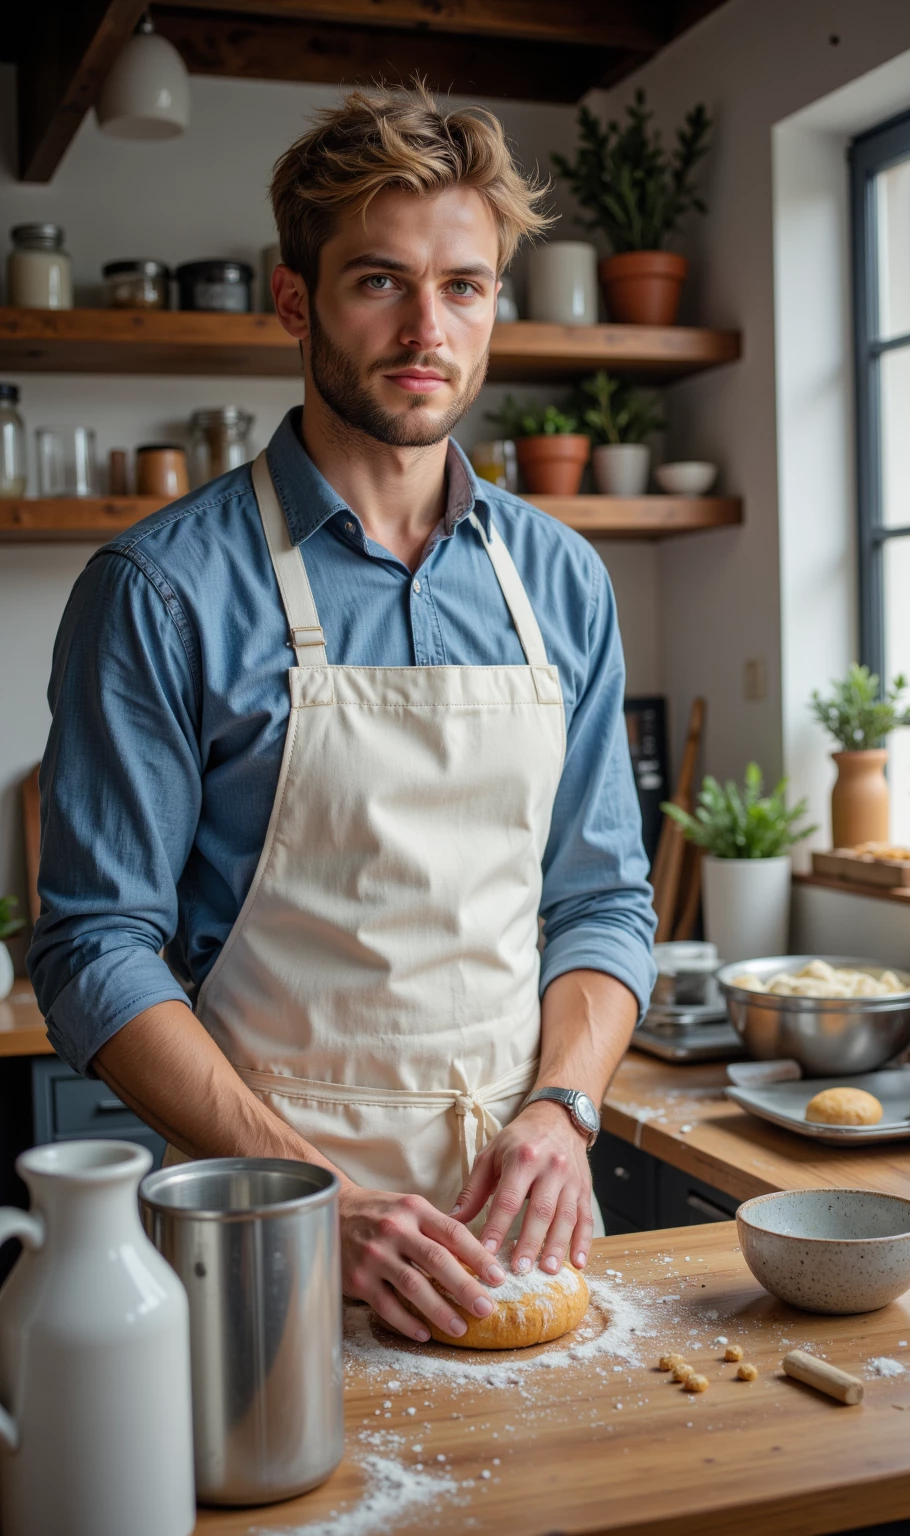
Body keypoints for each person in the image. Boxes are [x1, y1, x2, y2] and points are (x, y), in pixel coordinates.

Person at [28, 82, 656, 1345]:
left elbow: (599, 903)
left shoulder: (561, 582)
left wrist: (560, 1110)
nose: (428, 328)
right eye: (380, 280)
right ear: (295, 301)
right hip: (251, 1233)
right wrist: (307, 1195)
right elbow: (95, 951)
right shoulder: (160, 591)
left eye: (464, 286)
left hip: (514, 1231)